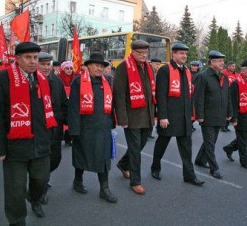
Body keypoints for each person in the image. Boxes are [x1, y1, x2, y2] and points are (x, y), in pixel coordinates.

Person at [0, 42, 58, 226]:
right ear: (17, 59)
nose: (33, 62)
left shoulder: (43, 79)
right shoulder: (2, 79)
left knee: (41, 180)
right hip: (14, 147)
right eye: (28, 58)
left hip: (40, 144)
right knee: (15, 191)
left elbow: (50, 110)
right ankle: (17, 223)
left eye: (35, 57)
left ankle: (34, 198)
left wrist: (52, 136)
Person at [150, 42, 204, 186]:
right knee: (162, 144)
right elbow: (160, 95)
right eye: (181, 53)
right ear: (173, 54)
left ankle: (189, 175)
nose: (184, 56)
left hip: (184, 117)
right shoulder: (165, 70)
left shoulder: (186, 71)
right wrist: (162, 116)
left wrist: (191, 115)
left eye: (185, 54)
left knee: (187, 149)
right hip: (169, 117)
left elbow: (188, 94)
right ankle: (155, 167)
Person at [67, 52, 117, 203]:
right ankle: (77, 181)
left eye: (102, 66)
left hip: (103, 127)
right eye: (96, 65)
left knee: (103, 158)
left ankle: (104, 188)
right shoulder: (78, 82)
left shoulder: (107, 81)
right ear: (88, 66)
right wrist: (74, 130)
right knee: (82, 155)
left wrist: (112, 123)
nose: (99, 68)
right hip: (85, 128)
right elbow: (73, 107)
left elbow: (111, 103)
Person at [113, 40, 155, 195]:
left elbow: (152, 92)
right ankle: (135, 181)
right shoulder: (123, 68)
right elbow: (119, 95)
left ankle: (124, 164)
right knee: (136, 150)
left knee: (140, 145)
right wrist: (122, 119)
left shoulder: (149, 67)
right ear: (133, 52)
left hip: (148, 115)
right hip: (132, 118)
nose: (143, 55)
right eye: (140, 52)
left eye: (145, 52)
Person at [193, 51, 231, 179]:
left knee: (211, 141)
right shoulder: (203, 76)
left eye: (222, 61)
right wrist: (200, 115)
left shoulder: (224, 77)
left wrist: (229, 112)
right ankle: (214, 168)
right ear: (212, 62)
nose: (222, 63)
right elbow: (198, 97)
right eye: (219, 61)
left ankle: (199, 160)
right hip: (207, 116)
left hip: (219, 116)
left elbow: (227, 96)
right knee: (210, 143)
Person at [36, 52, 68, 204]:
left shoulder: (57, 81)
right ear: (36, 64)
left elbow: (63, 104)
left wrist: (66, 121)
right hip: (39, 128)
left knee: (55, 159)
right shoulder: (32, 81)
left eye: (48, 64)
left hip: (55, 126)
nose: (46, 67)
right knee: (42, 160)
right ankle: (39, 189)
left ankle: (42, 179)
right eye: (42, 64)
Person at [223, 60, 247, 170]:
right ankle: (245, 161)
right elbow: (232, 102)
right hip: (241, 117)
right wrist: (234, 119)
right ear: (243, 70)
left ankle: (229, 148)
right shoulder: (236, 83)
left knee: (244, 138)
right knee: (243, 141)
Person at [58, 60, 75, 146]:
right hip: (62, 103)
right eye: (67, 68)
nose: (69, 70)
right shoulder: (59, 78)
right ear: (63, 69)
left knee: (70, 121)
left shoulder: (75, 79)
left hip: (72, 103)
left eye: (71, 68)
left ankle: (68, 138)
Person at [221, 61, 238, 132]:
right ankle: (223, 126)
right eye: (232, 66)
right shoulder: (223, 73)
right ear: (228, 66)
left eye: (234, 66)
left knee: (230, 110)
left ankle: (226, 125)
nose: (234, 68)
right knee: (225, 110)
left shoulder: (237, 75)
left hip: (232, 94)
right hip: (225, 93)